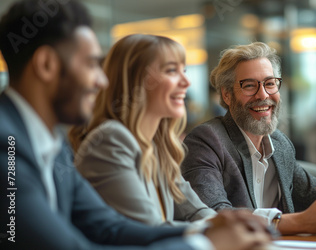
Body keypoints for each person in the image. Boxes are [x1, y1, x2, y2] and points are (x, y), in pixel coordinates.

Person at [0, 1, 270, 249]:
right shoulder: (7, 145)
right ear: (46, 65)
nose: (101, 82)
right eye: (91, 64)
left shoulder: (52, 145)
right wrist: (207, 244)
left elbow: (110, 227)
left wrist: (207, 232)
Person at [180, 42, 316, 235]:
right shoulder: (206, 141)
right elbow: (213, 216)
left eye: (270, 83)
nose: (263, 94)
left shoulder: (280, 144)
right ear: (227, 94)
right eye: (249, 85)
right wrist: (292, 222)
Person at [69, 34, 217, 227]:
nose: (186, 82)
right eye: (172, 70)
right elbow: (150, 230)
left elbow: (195, 211)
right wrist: (223, 232)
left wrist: (234, 226)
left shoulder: (157, 144)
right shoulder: (111, 139)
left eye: (184, 71)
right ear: (135, 81)